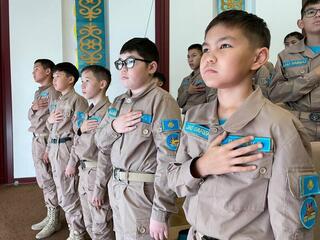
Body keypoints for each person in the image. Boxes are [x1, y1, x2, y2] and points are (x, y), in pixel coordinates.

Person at [168, 10, 317, 239]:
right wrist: (201, 166)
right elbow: (174, 180)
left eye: (224, 46)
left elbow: (290, 215)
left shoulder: (279, 125)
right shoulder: (194, 116)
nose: (209, 57)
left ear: (257, 58)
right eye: (206, 48)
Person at [94, 37, 181, 240]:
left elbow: (169, 160)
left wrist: (160, 212)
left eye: (131, 62)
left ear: (151, 67)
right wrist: (115, 127)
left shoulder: (162, 102)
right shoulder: (118, 102)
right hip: (117, 188)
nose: (123, 68)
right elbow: (100, 141)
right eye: (120, 63)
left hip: (144, 194)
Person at [68, 65, 115, 239]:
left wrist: (100, 187)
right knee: (89, 222)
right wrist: (80, 129)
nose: (83, 85)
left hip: (97, 172)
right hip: (84, 171)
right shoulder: (87, 111)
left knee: (101, 225)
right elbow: (78, 138)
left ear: (102, 84)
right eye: (82, 81)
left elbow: (106, 152)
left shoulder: (109, 112)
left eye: (88, 81)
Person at [46, 62, 88, 240]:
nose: (54, 80)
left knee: (69, 192)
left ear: (70, 79)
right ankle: (74, 226)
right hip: (55, 147)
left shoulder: (78, 100)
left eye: (58, 76)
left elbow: (80, 133)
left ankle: (77, 231)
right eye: (53, 76)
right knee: (61, 190)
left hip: (66, 148)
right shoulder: (57, 101)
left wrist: (72, 161)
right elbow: (52, 128)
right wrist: (48, 148)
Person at [269, 0, 320, 141]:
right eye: (311, 12)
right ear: (301, 23)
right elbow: (274, 94)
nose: (318, 15)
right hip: (299, 125)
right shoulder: (285, 55)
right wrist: (313, 76)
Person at [28, 59, 61, 239]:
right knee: (43, 178)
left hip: (46, 140)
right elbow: (31, 117)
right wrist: (33, 107)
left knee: (49, 179)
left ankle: (54, 220)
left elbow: (56, 124)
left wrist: (49, 147)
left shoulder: (53, 93)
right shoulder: (39, 92)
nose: (33, 72)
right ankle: (50, 214)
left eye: (37, 69)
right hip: (37, 139)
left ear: (48, 71)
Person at [177, 44, 216, 114]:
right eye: (188, 57)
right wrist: (187, 92)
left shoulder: (207, 76)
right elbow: (179, 103)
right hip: (186, 117)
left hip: (201, 117)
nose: (190, 60)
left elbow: (212, 102)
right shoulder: (185, 80)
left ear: (203, 56)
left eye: (194, 55)